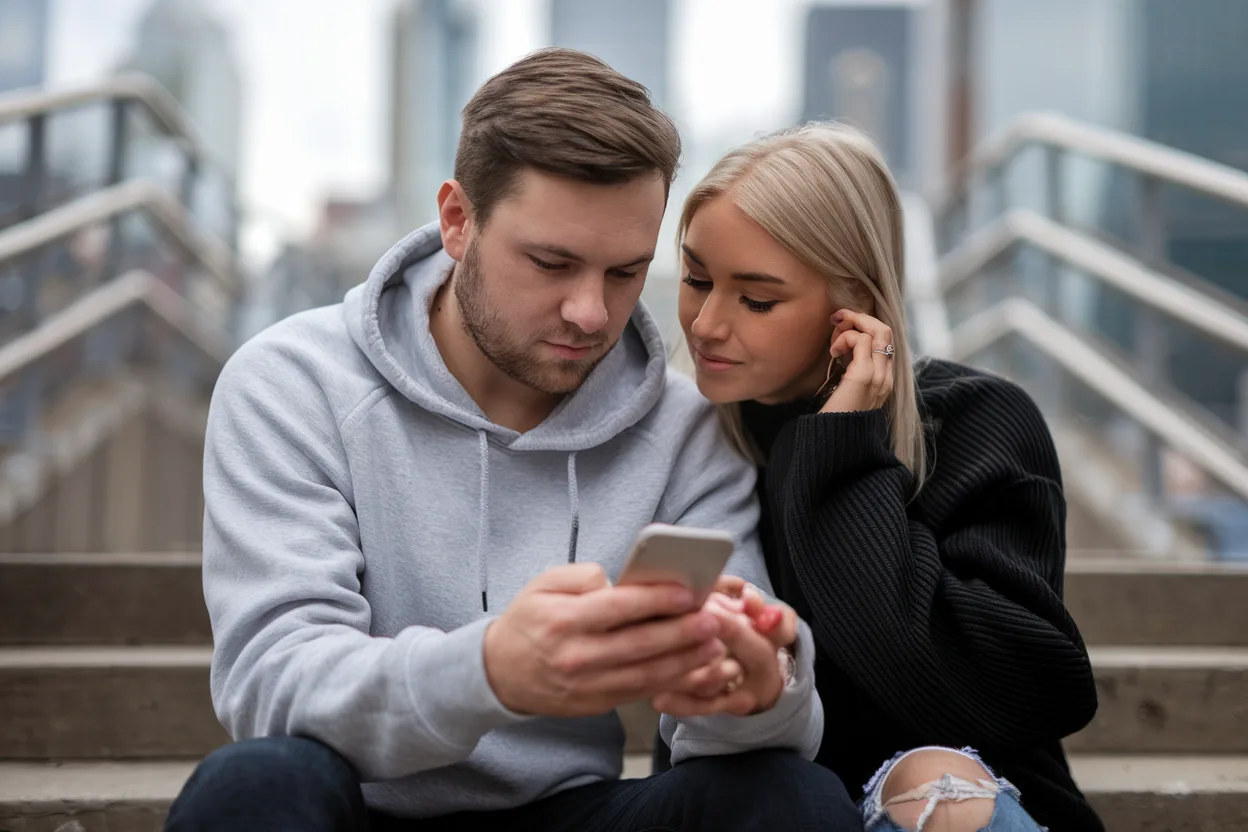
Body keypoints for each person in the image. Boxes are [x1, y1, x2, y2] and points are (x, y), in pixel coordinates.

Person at [164, 50, 860, 832]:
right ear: (458, 221)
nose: (591, 313)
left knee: (791, 798)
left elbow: (755, 720)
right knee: (253, 786)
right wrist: (492, 669)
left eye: (625, 271)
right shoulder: (293, 383)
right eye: (552, 263)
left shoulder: (682, 425)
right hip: (352, 806)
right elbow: (273, 683)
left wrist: (761, 693)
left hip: (568, 811)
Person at [652, 122, 1104, 832]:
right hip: (765, 807)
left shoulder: (976, 422)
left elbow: (1025, 689)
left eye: (756, 299)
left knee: (935, 782)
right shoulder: (690, 443)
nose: (706, 324)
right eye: (696, 279)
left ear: (853, 304)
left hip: (970, 802)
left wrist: (842, 449)